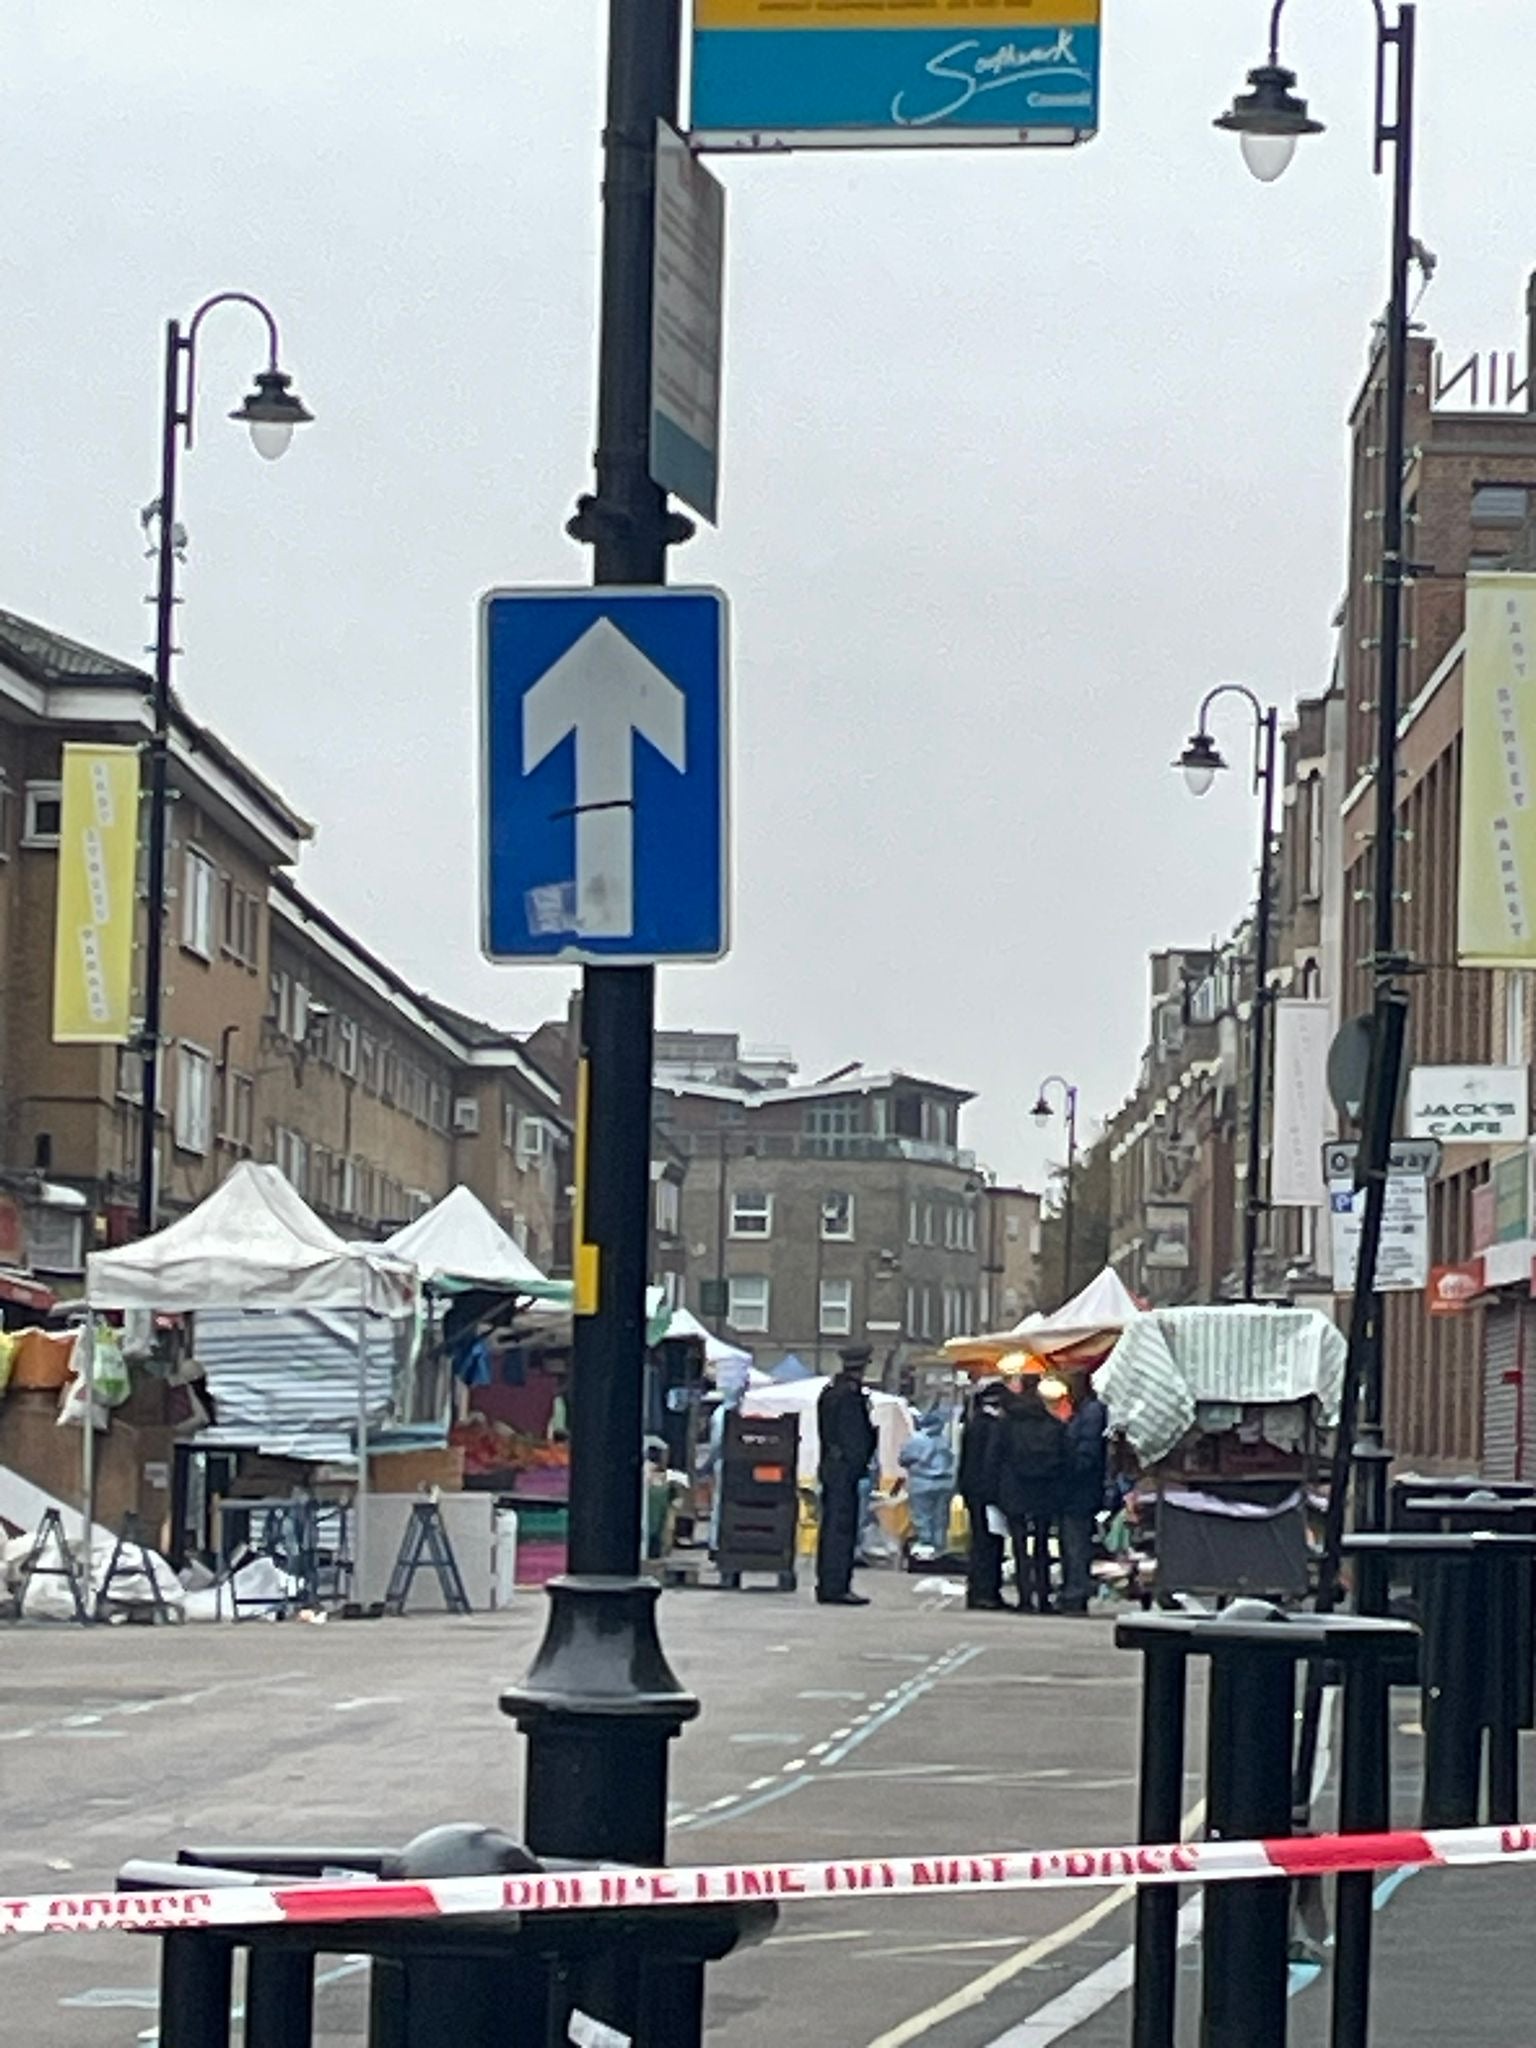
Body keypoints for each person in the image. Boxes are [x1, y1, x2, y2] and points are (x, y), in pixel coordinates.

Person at [996, 1374, 1067, 1612]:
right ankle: (1044, 1597)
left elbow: (998, 1456)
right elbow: (1067, 1457)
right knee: (1042, 1544)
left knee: (1018, 1544)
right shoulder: (1053, 1424)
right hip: (1045, 1489)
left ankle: (1025, 1597)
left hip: (1015, 1488)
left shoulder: (1008, 1423)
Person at [817, 1346, 878, 1606]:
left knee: (830, 1526)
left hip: (832, 1468)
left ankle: (828, 1583)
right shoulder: (849, 1397)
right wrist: (859, 1462)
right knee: (842, 1529)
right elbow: (853, 1437)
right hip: (844, 1471)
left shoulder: (829, 1393)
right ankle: (836, 1585)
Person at [1059, 1377, 1108, 1613]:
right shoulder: (1087, 1412)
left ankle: (1075, 1592)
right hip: (1080, 1491)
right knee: (1074, 1543)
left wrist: (1065, 1468)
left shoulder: (1090, 1414)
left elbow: (1086, 1454)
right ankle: (1074, 1589)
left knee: (1075, 1543)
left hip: (1079, 1491)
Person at [957, 1380, 1008, 1609]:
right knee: (988, 1543)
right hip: (986, 1494)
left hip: (973, 1490)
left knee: (980, 1542)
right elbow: (990, 1462)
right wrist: (994, 1493)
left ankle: (980, 1591)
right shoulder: (991, 1426)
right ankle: (985, 1592)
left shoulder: (974, 1422)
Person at [899, 1410, 956, 1556]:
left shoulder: (916, 1440)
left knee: (922, 1517)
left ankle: (926, 1546)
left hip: (922, 1483)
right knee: (941, 1518)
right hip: (945, 1483)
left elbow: (903, 1459)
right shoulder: (945, 1440)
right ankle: (940, 1547)